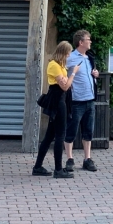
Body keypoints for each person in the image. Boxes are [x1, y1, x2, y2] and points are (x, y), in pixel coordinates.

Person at [33, 41, 80, 178]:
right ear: (64, 53)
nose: (69, 55)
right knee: (60, 135)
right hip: (58, 100)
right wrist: (73, 74)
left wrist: (68, 79)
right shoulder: (54, 65)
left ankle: (38, 166)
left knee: (49, 136)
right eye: (69, 53)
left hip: (61, 99)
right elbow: (65, 86)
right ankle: (58, 169)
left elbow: (66, 84)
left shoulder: (60, 66)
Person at [64, 30, 100, 172]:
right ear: (81, 42)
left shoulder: (89, 58)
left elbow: (92, 74)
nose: (90, 41)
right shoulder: (70, 58)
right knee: (71, 130)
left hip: (90, 99)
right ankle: (69, 159)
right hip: (76, 100)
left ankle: (87, 158)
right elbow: (62, 72)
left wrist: (95, 74)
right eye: (88, 39)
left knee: (88, 130)